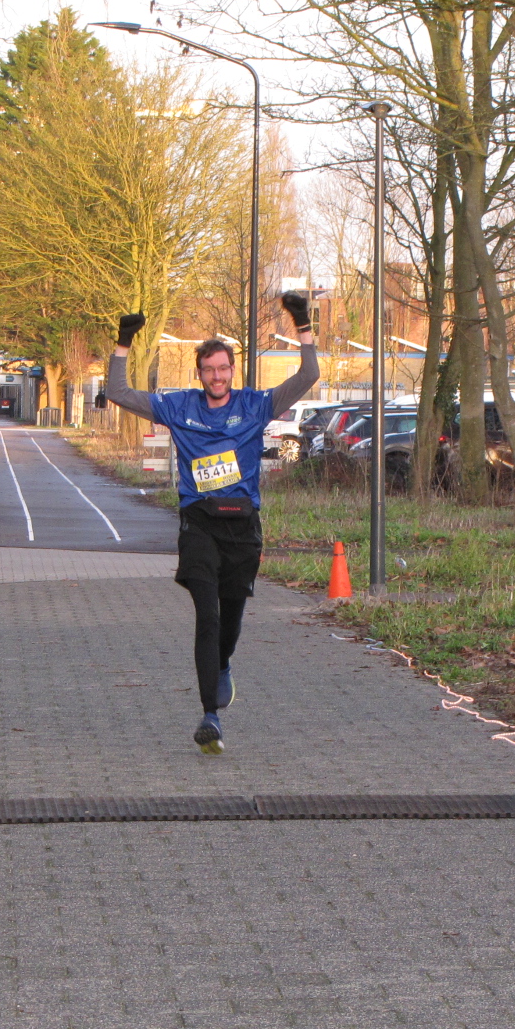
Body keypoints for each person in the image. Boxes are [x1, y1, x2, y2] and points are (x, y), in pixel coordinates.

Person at [106, 294, 319, 753]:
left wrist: (302, 323)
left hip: (243, 528)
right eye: (209, 370)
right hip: (198, 524)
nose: (217, 377)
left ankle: (223, 665)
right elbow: (118, 394)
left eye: (224, 369)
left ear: (231, 372)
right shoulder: (180, 407)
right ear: (199, 373)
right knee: (207, 613)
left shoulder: (257, 404)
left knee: (231, 618)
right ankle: (209, 716)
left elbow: (308, 375)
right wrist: (123, 342)